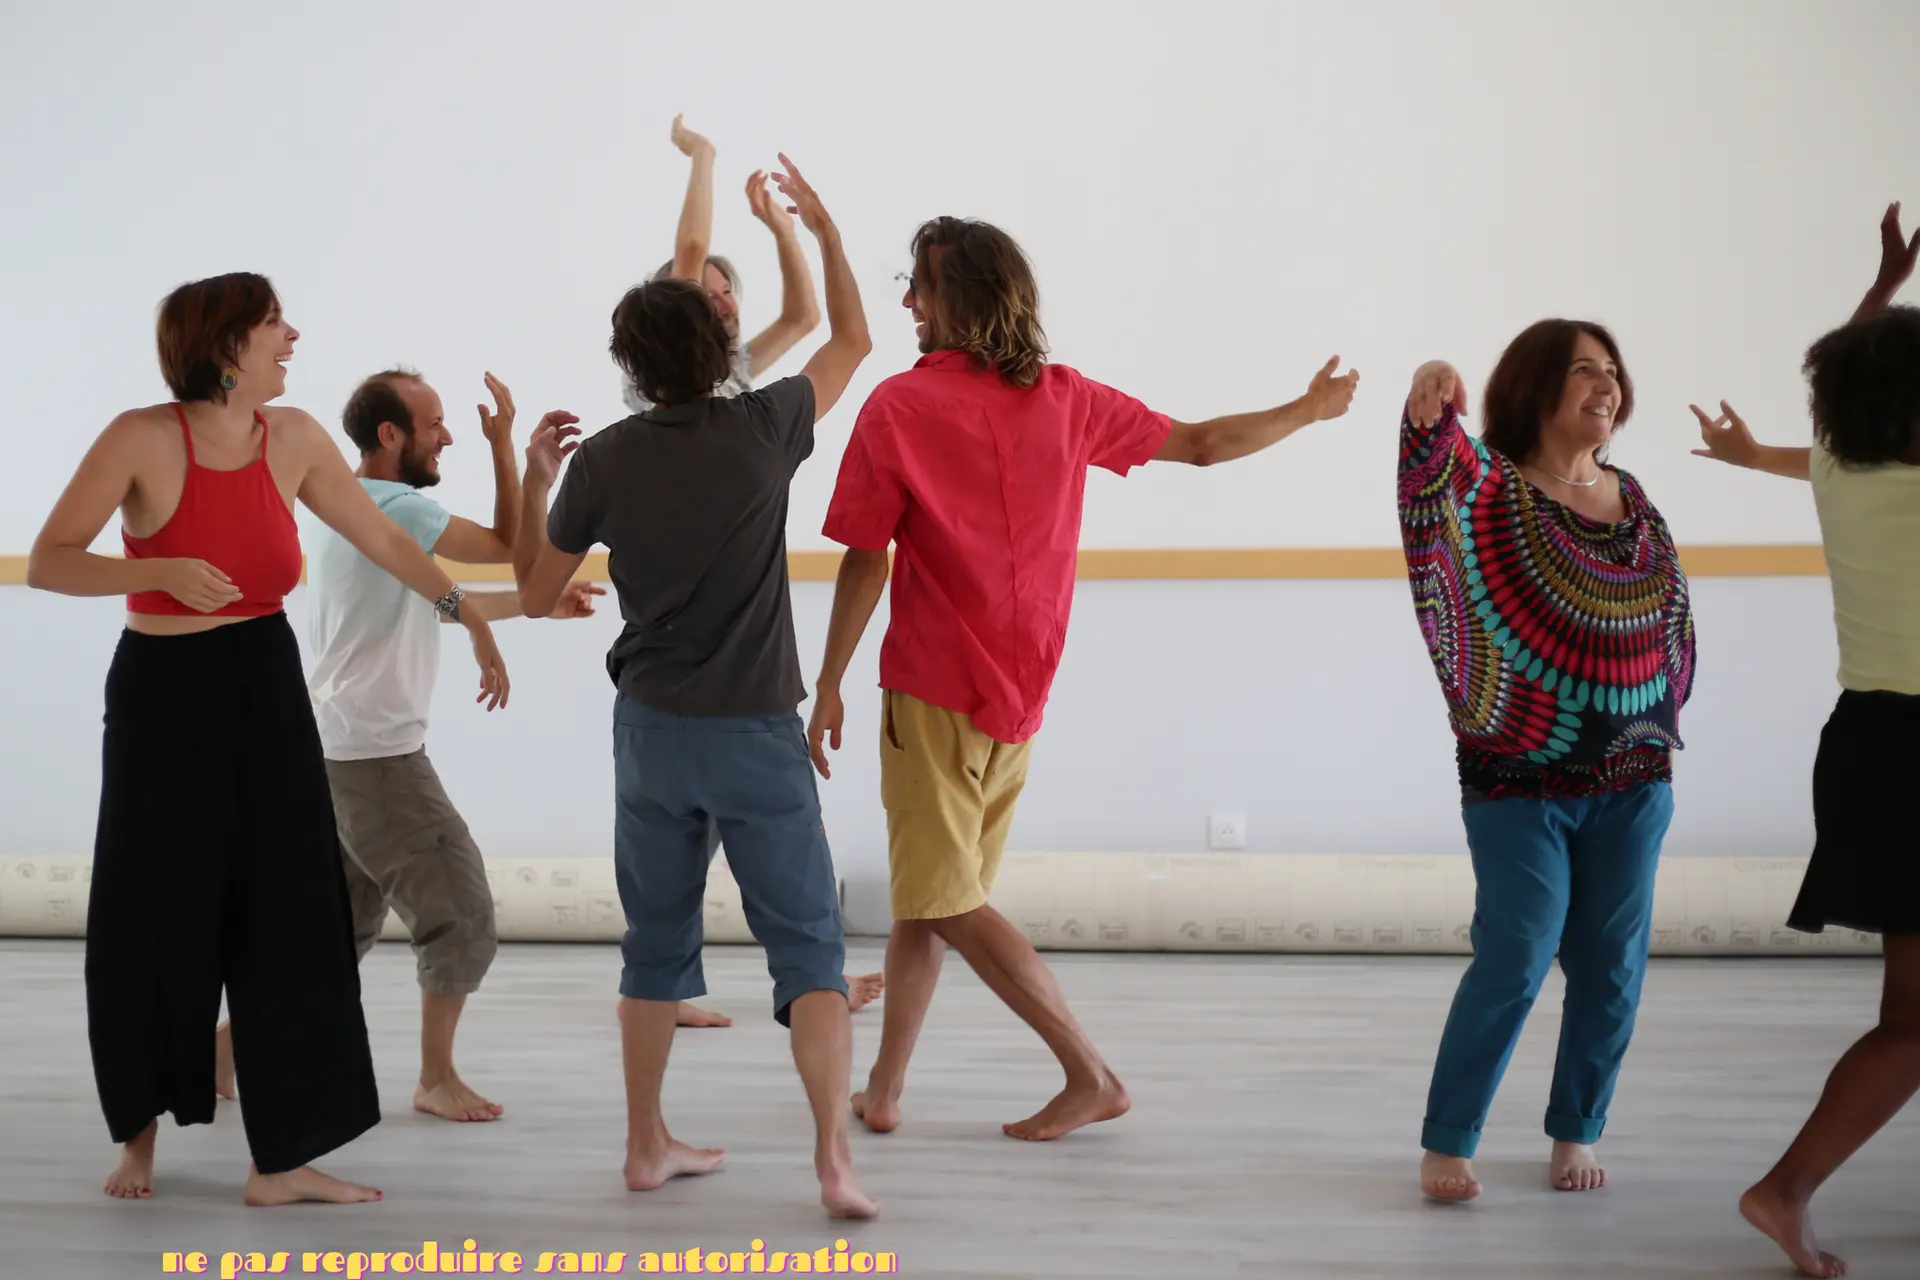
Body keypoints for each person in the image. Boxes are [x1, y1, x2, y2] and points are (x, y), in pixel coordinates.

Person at [808, 215, 1359, 1142]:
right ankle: (886, 1090)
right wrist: (1308, 410)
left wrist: (827, 681)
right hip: (1019, 703)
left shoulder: (899, 408)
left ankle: (1089, 1071)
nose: (907, 300)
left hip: (936, 694)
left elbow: (867, 558)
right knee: (928, 897)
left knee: (947, 898)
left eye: (920, 285)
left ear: (963, 298)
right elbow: (1204, 444)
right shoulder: (1064, 399)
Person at [26, 272, 511, 1206]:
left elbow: (380, 537)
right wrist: (161, 566)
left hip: (266, 686)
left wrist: (466, 611)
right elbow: (51, 560)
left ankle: (280, 1160)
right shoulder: (140, 438)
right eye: (273, 325)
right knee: (153, 912)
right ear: (224, 346)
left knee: (292, 918)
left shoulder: (292, 439)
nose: (293, 335)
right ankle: (139, 1138)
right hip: (162, 697)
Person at [513, 156, 879, 1218]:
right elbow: (851, 339)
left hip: (653, 736)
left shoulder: (607, 459)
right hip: (755, 731)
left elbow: (539, 596)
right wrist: (825, 229)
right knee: (808, 949)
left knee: (654, 944)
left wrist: (539, 473)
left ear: (630, 364)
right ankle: (832, 1158)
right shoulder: (764, 430)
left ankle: (645, 1144)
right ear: (721, 348)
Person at [1396, 322, 1697, 1203]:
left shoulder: (1631, 493)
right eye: (1583, 372)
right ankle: (1449, 1140)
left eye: (1613, 374)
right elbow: (1429, 467)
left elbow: (1670, 612)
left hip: (1635, 778)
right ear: (1535, 387)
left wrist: (1656, 717)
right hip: (1517, 782)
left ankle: (1577, 1129)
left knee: (1612, 967)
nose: (1606, 388)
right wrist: (1429, 385)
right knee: (1517, 954)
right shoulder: (1486, 485)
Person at [1694, 202, 1920, 1280]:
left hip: (1871, 745)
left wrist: (1879, 294)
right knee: (1916, 1021)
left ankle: (1787, 1190)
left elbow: (1843, 391)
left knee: (1912, 1009)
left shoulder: (1842, 470)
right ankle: (1784, 1188)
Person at [297, 367, 602, 1123]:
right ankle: (436, 1078)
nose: (448, 436)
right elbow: (511, 550)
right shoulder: (393, 503)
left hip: (338, 749)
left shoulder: (360, 511)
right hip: (375, 757)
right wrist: (519, 463)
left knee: (341, 928)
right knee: (461, 910)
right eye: (435, 425)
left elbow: (427, 602)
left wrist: (527, 613)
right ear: (389, 435)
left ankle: (226, 1054)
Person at [634, 114, 881, 1022]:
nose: (718, 296)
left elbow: (814, 321)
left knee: (703, 835)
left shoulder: (742, 381)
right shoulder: (662, 379)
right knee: (695, 833)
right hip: (691, 649)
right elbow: (693, 247)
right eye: (702, 290)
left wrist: (784, 235)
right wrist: (701, 160)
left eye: (726, 289)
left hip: (725, 651)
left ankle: (752, 977)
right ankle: (684, 981)